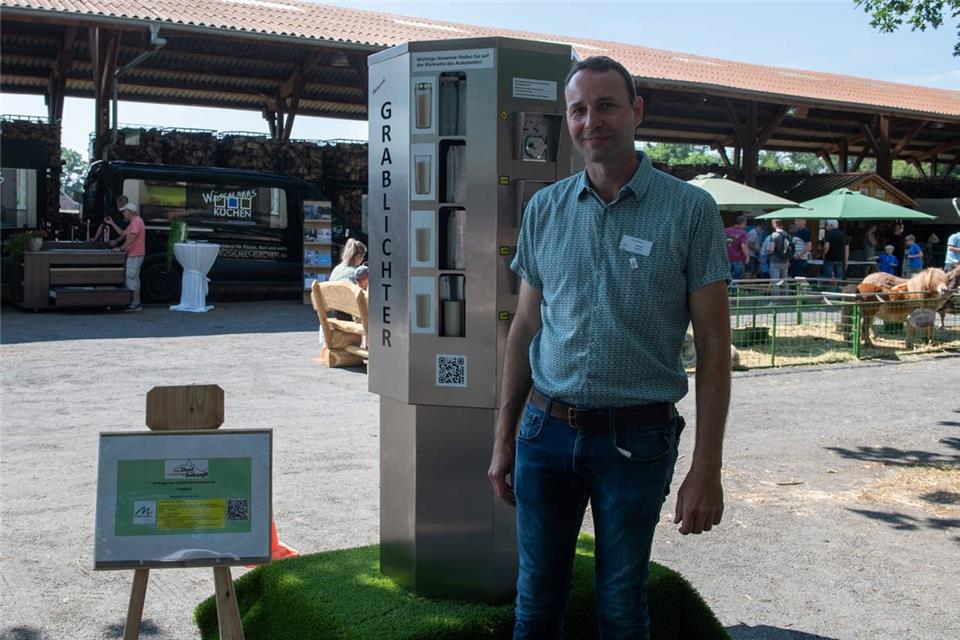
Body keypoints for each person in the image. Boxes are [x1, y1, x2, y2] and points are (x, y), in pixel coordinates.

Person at [487, 56, 730, 640]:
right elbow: (525, 327)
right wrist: (503, 439)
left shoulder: (689, 210)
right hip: (545, 433)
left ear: (636, 111)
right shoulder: (545, 208)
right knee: (534, 606)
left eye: (606, 106)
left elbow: (714, 346)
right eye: (578, 109)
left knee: (622, 610)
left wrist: (707, 467)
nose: (590, 120)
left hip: (637, 442)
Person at [108, 202, 145, 311]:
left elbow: (131, 239)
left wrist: (121, 248)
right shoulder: (134, 221)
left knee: (131, 278)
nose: (123, 213)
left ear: (130, 212)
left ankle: (136, 304)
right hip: (135, 254)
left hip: (135, 255)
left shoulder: (136, 222)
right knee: (134, 279)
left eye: (124, 211)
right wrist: (112, 223)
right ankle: (136, 303)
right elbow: (123, 233)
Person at [766, 219, 792, 297]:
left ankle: (775, 299)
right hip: (785, 261)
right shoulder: (788, 235)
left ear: (774, 224)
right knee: (784, 280)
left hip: (775, 261)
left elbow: (772, 249)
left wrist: (768, 250)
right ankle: (786, 297)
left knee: (775, 281)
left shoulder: (774, 235)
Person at [821, 219, 848, 289]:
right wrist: (846, 260)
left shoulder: (828, 234)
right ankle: (839, 291)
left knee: (827, 278)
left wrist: (823, 254)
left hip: (829, 259)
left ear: (831, 225)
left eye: (827, 225)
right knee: (839, 277)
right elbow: (846, 248)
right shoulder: (843, 234)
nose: (826, 227)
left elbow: (826, 246)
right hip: (840, 259)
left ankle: (827, 291)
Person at [724, 214, 749, 284]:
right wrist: (747, 256)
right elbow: (743, 245)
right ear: (743, 223)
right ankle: (735, 291)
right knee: (737, 279)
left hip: (726, 259)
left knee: (726, 278)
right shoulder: (743, 233)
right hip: (738, 259)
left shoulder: (726, 231)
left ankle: (728, 290)